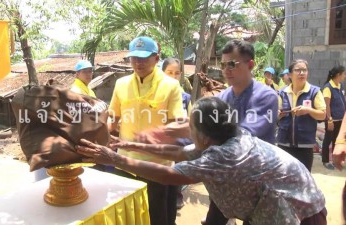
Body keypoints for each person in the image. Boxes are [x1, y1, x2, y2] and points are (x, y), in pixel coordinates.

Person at [77, 96, 327, 225]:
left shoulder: (226, 155)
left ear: (204, 134)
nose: (187, 129)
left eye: (190, 125)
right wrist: (127, 145)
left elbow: (170, 174)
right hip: (274, 210)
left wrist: (113, 159)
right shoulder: (226, 139)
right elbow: (178, 153)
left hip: (300, 212)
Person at [138, 40, 279, 225]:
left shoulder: (266, 97)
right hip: (225, 180)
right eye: (223, 65)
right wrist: (163, 137)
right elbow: (198, 133)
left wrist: (187, 135)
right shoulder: (222, 98)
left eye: (232, 64)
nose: (226, 70)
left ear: (250, 64)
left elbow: (244, 138)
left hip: (257, 184)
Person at [108, 36, 185, 225]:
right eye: (134, 57)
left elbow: (178, 123)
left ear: (156, 58)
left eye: (143, 57)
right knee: (127, 216)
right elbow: (113, 117)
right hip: (124, 163)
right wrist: (105, 132)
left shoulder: (171, 86)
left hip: (156, 166)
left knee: (158, 217)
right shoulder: (121, 84)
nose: (138, 62)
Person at [277, 59, 326, 172]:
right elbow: (275, 115)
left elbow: (323, 115)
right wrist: (279, 115)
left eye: (304, 70)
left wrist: (308, 110)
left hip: (305, 144)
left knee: (303, 178)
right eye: (298, 70)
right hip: (284, 143)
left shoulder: (314, 92)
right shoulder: (282, 92)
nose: (302, 73)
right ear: (290, 74)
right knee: (284, 177)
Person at [161, 57, 192, 210]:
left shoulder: (185, 97)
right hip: (159, 144)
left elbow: (190, 120)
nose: (173, 76)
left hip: (179, 143)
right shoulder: (156, 95)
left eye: (177, 73)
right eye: (170, 72)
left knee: (176, 175)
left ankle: (177, 197)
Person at [321, 65, 346, 170]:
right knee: (328, 140)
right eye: (344, 74)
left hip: (340, 119)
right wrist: (329, 120)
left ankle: (336, 160)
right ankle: (325, 161)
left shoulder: (340, 86)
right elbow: (327, 105)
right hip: (332, 120)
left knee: (337, 140)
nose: (344, 76)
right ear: (338, 75)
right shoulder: (328, 87)